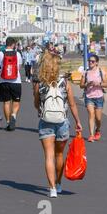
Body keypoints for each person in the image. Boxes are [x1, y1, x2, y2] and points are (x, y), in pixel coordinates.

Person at [34, 51, 83, 198]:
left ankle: (52, 188)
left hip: (45, 121)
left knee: (48, 155)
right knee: (59, 154)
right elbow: (73, 104)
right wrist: (78, 121)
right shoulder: (65, 83)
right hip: (62, 122)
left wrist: (42, 109)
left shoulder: (40, 83)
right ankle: (59, 182)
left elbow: (36, 104)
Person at [0, 37, 23, 131]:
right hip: (16, 81)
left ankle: (8, 122)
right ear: (13, 44)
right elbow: (18, 68)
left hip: (4, 81)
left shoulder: (0, 53)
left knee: (6, 102)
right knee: (16, 102)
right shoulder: (18, 54)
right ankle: (13, 115)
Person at [80, 54, 107, 142]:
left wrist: (98, 84)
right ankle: (91, 135)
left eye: (92, 61)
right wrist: (87, 84)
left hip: (99, 97)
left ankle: (98, 130)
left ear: (96, 63)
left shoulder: (101, 71)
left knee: (98, 118)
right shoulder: (85, 72)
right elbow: (81, 85)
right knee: (91, 114)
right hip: (89, 97)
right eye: (89, 61)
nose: (90, 63)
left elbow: (106, 84)